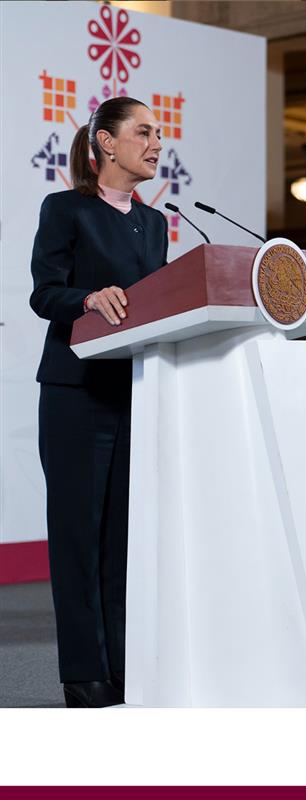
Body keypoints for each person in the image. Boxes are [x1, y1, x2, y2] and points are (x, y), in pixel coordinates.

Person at [30, 97, 167, 706]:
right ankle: (84, 673)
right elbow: (46, 293)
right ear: (106, 143)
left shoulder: (155, 222)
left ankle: (124, 667)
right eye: (143, 132)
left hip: (136, 393)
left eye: (158, 133)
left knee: (123, 541)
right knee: (79, 536)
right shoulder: (66, 209)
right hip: (76, 393)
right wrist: (88, 300)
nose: (156, 143)